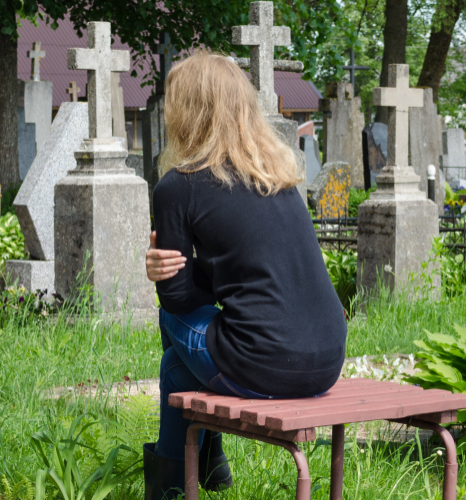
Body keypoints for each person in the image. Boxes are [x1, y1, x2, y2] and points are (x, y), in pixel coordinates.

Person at [141, 51, 348, 500]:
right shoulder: (278, 177)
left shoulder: (177, 186)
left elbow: (177, 301)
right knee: (177, 367)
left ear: (186, 110)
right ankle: (210, 475)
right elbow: (252, 272)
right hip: (328, 359)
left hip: (265, 364)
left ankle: (173, 487)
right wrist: (190, 272)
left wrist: (163, 273)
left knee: (171, 345)